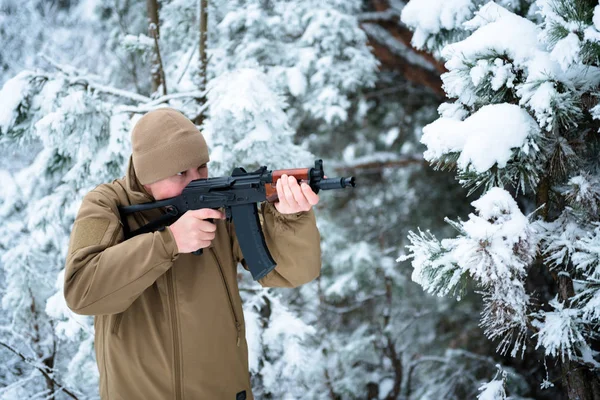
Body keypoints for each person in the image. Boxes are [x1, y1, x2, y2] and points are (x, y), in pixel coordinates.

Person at [63, 107, 322, 400]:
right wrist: (168, 242)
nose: (196, 179)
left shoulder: (219, 202)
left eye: (201, 166)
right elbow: (81, 291)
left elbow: (292, 271)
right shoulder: (105, 205)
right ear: (147, 176)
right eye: (180, 172)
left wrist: (290, 217)